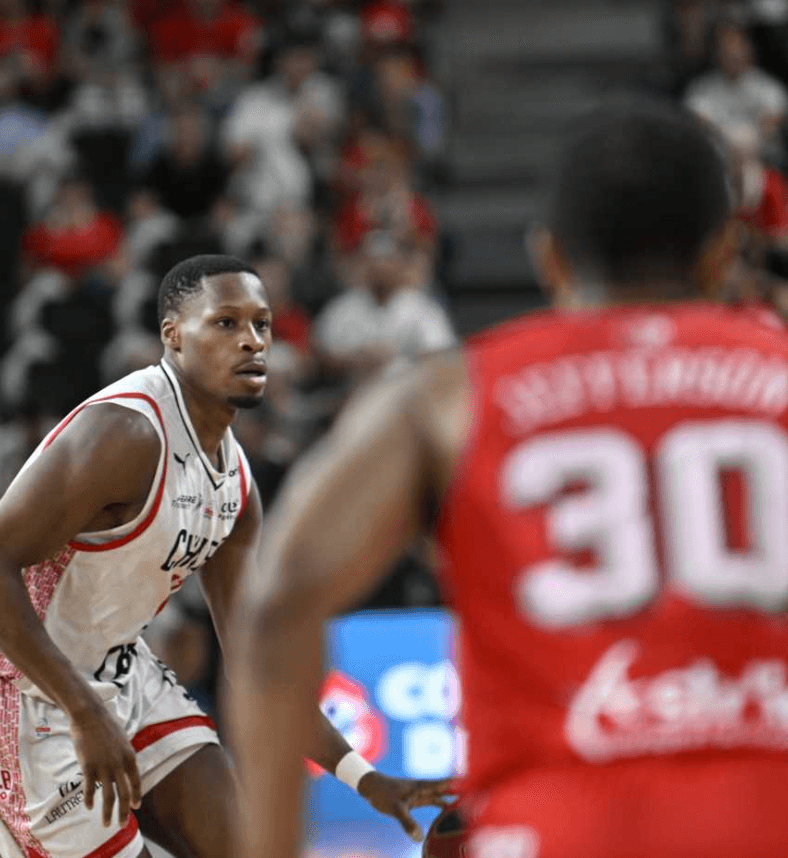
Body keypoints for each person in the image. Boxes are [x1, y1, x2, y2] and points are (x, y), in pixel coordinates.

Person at [228, 100, 788, 858]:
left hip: (560, 825)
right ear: (724, 252)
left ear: (549, 257)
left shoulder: (450, 394)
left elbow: (275, 612)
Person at [0, 254, 447, 858]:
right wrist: (82, 709)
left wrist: (364, 777)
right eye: (226, 323)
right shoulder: (123, 435)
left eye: (262, 324)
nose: (253, 342)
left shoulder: (235, 483)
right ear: (173, 335)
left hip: (120, 673)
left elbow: (254, 658)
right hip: (15, 689)